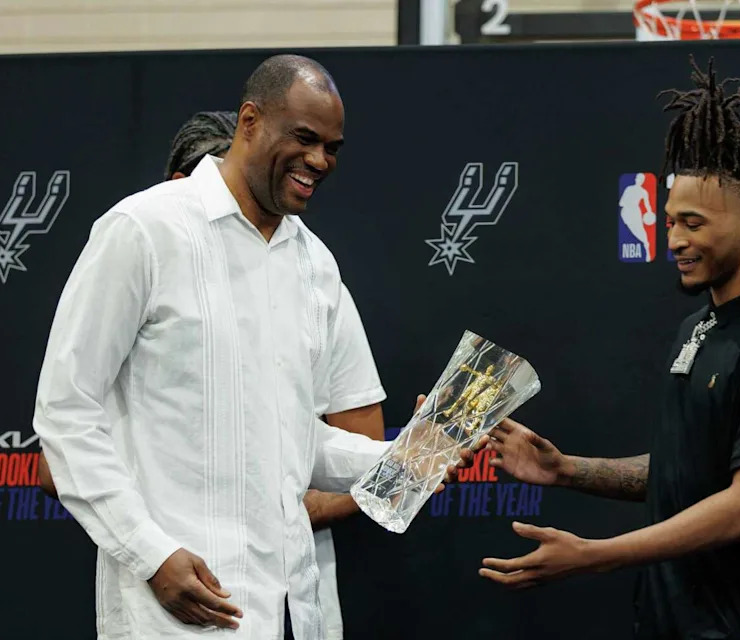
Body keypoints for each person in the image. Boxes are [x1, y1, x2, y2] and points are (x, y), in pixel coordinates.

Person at [33, 55, 469, 640]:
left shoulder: (314, 264)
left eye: (332, 148)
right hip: (171, 614)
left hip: (291, 611)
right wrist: (150, 554)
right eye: (304, 138)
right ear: (249, 121)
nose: (320, 160)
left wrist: (402, 457)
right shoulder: (143, 229)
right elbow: (66, 412)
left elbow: (291, 439)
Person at [477, 58, 740, 640]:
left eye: (694, 223)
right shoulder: (698, 328)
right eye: (669, 223)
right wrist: (566, 470)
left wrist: (596, 555)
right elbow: (682, 472)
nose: (676, 240)